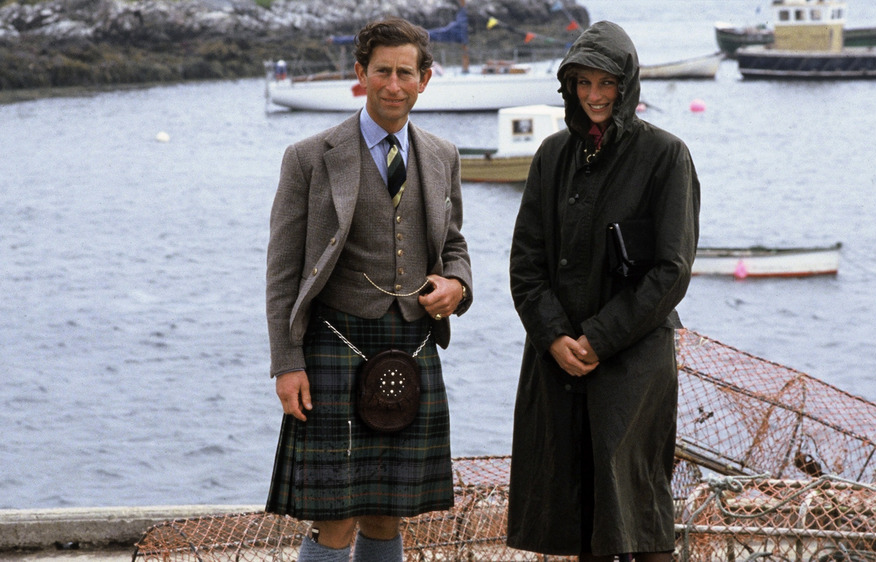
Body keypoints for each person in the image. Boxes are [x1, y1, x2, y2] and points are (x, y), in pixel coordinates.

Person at [264, 16, 472, 562]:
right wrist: (287, 362)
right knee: (334, 517)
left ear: (425, 78)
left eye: (407, 72)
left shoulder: (442, 155)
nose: (394, 85)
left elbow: (453, 246)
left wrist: (457, 284)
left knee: (387, 511)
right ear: (361, 74)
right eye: (382, 71)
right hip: (335, 340)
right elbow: (283, 270)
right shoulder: (309, 157)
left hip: (413, 345)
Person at [506, 20, 700, 562]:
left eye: (606, 83)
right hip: (557, 360)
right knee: (575, 514)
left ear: (626, 86)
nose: (594, 96)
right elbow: (525, 263)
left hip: (633, 362)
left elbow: (672, 270)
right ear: (569, 87)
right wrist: (554, 337)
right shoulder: (551, 156)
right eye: (583, 83)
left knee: (638, 512)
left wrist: (597, 338)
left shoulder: (666, 156)